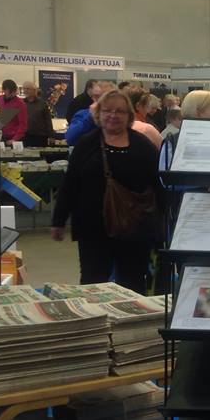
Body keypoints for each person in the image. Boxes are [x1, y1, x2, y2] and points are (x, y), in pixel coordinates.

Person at [50, 90, 161, 294]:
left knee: (133, 282)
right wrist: (59, 220)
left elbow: (158, 186)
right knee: (93, 282)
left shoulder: (143, 146)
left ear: (129, 115)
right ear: (98, 114)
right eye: (107, 110)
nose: (113, 115)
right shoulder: (86, 144)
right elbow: (70, 183)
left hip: (134, 227)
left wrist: (161, 227)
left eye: (119, 111)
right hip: (92, 228)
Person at [21, 80, 53, 147]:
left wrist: (51, 135)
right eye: (24, 89)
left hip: (40, 137)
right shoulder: (21, 103)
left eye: (28, 89)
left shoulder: (43, 104)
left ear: (34, 90)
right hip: (26, 136)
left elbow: (48, 120)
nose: (25, 91)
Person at [0, 79, 27, 144]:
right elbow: (2, 117)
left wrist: (15, 139)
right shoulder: (0, 99)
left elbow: (23, 124)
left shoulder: (20, 103)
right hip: (4, 135)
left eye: (14, 92)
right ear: (3, 90)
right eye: (10, 92)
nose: (13, 94)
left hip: (16, 137)